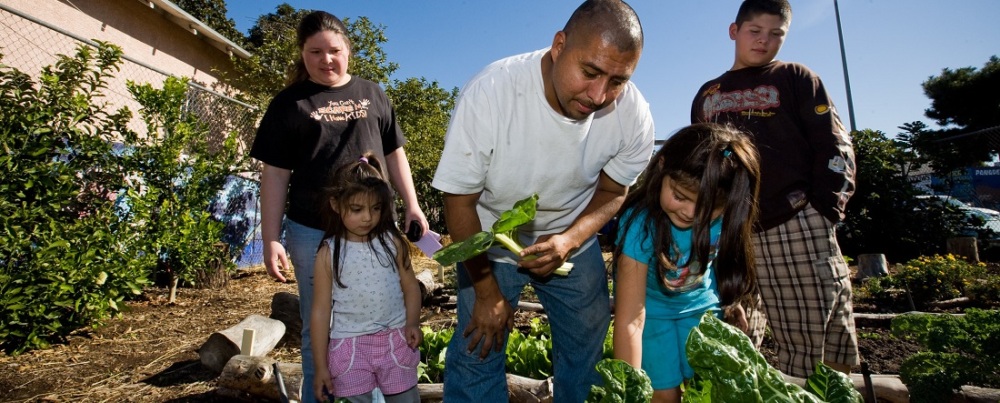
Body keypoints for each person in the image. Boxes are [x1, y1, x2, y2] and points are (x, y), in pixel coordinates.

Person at [431, 0, 655, 400]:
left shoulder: (634, 116)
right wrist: (485, 292)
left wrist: (568, 240)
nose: (600, 95)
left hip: (572, 240)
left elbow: (613, 191)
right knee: (478, 349)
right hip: (490, 241)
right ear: (559, 45)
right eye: (590, 72)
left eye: (618, 80)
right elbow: (459, 202)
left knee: (586, 343)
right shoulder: (492, 92)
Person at [249, 10, 428, 403]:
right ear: (302, 53)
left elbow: (395, 153)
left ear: (348, 50)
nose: (326, 59)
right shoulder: (288, 104)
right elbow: (275, 174)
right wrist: (270, 238)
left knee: (386, 318)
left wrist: (412, 205)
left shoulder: (372, 93)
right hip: (313, 231)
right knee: (323, 326)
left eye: (334, 50)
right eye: (316, 52)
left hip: (376, 228)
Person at [690, 0, 859, 378]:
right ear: (734, 31)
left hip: (794, 221)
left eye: (775, 34)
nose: (764, 41)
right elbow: (702, 165)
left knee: (814, 344)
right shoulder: (708, 94)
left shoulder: (796, 77)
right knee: (732, 338)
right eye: (755, 31)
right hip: (733, 230)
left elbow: (834, 145)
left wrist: (825, 210)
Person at [612, 123, 761, 402]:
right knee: (663, 396)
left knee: (705, 391)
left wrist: (732, 302)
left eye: (707, 208)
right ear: (661, 169)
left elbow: (720, 262)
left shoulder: (725, 218)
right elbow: (630, 319)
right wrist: (628, 389)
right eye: (680, 196)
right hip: (652, 316)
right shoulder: (640, 225)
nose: (691, 213)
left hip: (703, 311)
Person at [310, 155, 422, 402]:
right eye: (357, 209)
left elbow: (411, 288)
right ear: (336, 205)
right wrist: (320, 366)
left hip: (396, 341)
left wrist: (412, 322)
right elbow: (320, 311)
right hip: (350, 348)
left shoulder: (393, 243)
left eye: (375, 208)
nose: (367, 218)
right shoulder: (328, 253)